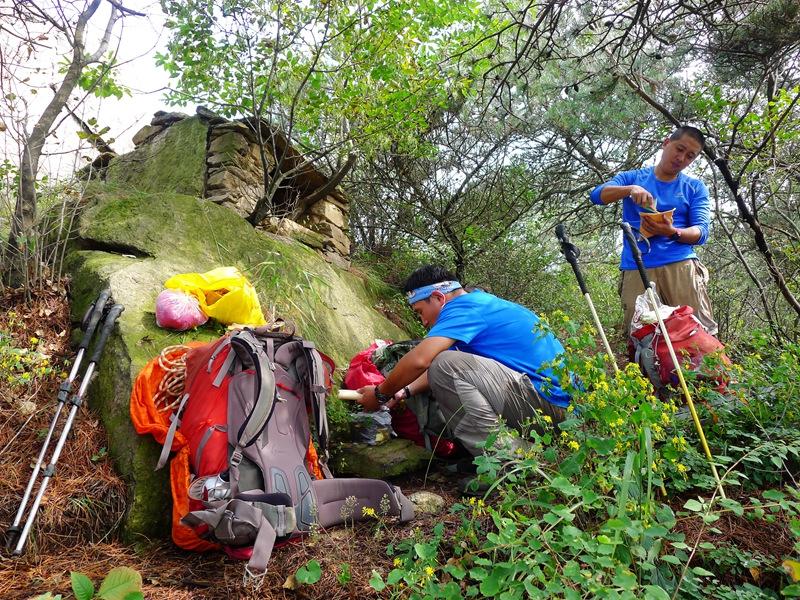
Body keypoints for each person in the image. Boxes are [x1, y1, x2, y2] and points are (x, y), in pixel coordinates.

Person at [356, 265, 571, 463]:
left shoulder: (464, 308)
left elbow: (422, 360)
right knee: (445, 364)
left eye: (420, 311)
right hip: (563, 412)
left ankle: (508, 461)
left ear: (439, 297)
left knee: (444, 365)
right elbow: (441, 365)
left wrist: (379, 394)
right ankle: (522, 451)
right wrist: (402, 391)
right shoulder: (482, 304)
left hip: (548, 405)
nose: (422, 321)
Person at [590, 126, 718, 337]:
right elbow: (597, 195)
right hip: (637, 267)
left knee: (696, 334)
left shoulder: (694, 188)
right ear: (666, 143)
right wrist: (630, 190)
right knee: (642, 337)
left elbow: (701, 232)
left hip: (681, 266)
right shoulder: (633, 178)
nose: (681, 158)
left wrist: (672, 232)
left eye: (689, 156)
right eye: (679, 149)